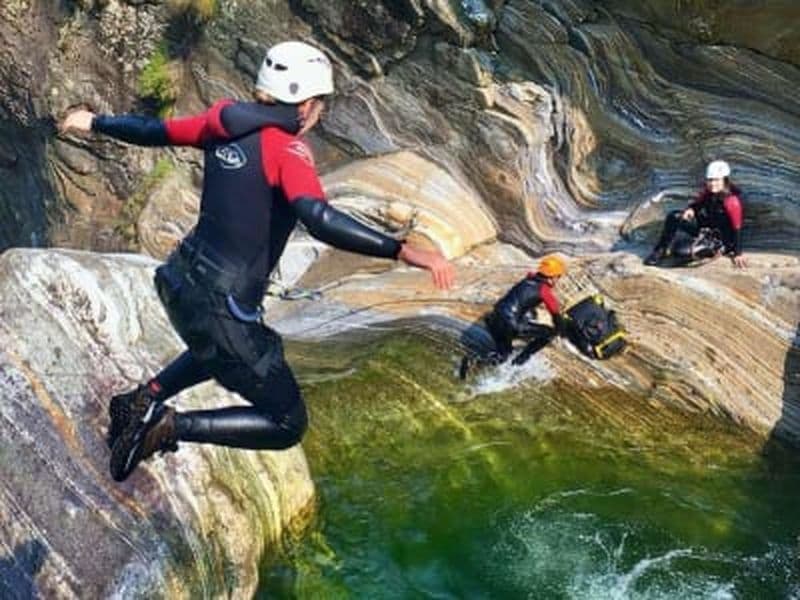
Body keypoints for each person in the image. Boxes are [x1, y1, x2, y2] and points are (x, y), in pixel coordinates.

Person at [59, 41, 455, 482]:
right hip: (223, 307)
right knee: (287, 422)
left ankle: (142, 399)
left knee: (233, 352)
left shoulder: (220, 122)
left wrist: (94, 121)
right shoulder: (287, 150)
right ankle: (166, 425)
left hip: (179, 283)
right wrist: (401, 249)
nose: (319, 112)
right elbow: (319, 218)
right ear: (306, 105)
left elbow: (153, 131)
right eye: (321, 103)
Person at [459, 255, 566, 379]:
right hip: (510, 324)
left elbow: (520, 301)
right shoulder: (544, 291)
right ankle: (521, 359)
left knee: (503, 351)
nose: (558, 280)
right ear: (553, 277)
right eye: (559, 277)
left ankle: (470, 365)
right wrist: (562, 330)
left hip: (495, 317)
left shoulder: (527, 279)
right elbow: (556, 315)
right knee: (549, 333)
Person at [644, 160, 747, 268]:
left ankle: (683, 247)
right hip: (706, 228)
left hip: (718, 241)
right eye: (710, 180)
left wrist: (738, 253)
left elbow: (737, 228)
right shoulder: (709, 191)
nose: (712, 184)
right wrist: (691, 209)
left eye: (716, 180)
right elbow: (698, 203)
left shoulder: (732, 200)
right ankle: (660, 249)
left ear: (725, 180)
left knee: (679, 251)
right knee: (673, 216)